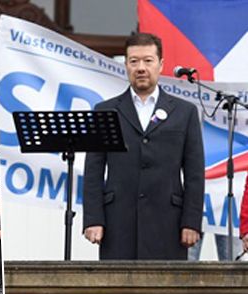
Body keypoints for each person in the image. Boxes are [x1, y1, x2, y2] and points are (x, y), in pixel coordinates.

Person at [83, 33, 204, 260]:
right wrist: (94, 219)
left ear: (161, 64)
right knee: (116, 292)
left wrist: (191, 222)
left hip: (170, 224)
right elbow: (93, 171)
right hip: (118, 223)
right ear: (125, 64)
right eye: (133, 61)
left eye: (148, 61)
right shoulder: (105, 111)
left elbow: (195, 173)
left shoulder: (185, 112)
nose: (141, 68)